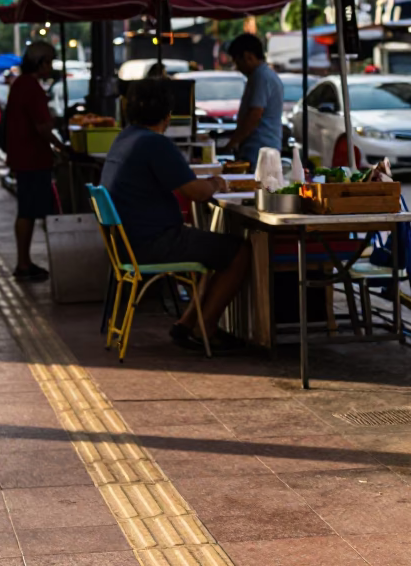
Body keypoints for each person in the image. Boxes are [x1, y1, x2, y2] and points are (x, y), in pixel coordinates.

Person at [101, 79, 251, 353]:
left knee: (211, 248)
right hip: (152, 243)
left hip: (126, 244)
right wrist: (217, 183)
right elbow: (197, 192)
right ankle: (206, 329)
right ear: (168, 115)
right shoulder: (154, 144)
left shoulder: (124, 139)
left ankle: (186, 324)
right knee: (237, 251)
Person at [4, 41, 70, 282]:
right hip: (31, 158)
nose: (50, 67)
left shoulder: (22, 85)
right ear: (40, 63)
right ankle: (23, 262)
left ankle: (25, 261)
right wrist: (61, 145)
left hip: (26, 157)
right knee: (29, 210)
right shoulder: (30, 87)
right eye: (49, 62)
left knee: (29, 211)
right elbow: (42, 126)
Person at [225, 33, 283, 166]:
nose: (237, 68)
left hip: (259, 151)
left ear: (248, 56)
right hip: (263, 150)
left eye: (237, 62)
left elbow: (254, 114)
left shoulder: (260, 77)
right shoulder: (263, 75)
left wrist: (231, 143)